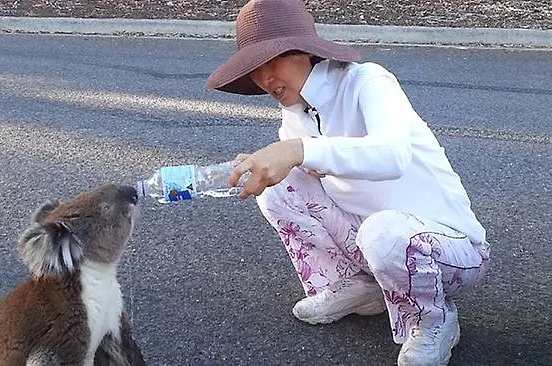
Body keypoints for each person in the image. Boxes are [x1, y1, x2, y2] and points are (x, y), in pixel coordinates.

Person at [205, 0, 491, 365]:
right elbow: (301, 164)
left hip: (450, 250)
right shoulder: (296, 114)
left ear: (305, 53)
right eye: (254, 70)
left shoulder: (367, 81)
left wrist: (301, 150)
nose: (264, 79)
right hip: (375, 242)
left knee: (384, 235)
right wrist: (267, 164)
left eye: (271, 61)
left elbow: (393, 155)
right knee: (278, 186)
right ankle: (361, 286)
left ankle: (434, 319)